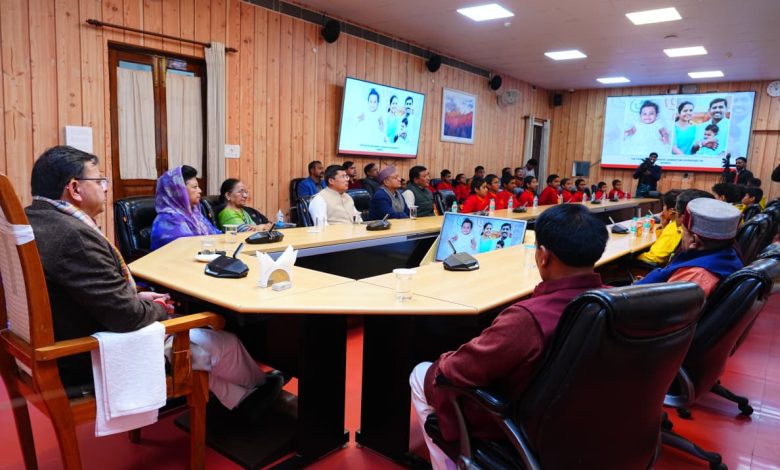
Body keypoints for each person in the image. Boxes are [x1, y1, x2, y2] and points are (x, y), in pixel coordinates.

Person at [26, 146, 282, 422]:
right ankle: (259, 386)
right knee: (220, 340)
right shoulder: (74, 236)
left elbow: (85, 288)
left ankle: (242, 401)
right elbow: (128, 316)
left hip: (63, 342)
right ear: (75, 189)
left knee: (197, 346)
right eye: (99, 180)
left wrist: (134, 296)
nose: (105, 188)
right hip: (88, 356)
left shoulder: (35, 219)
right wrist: (160, 308)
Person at [410, 204, 608, 469]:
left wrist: (446, 357)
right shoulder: (616, 301)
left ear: (543, 256)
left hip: (519, 423)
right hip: (586, 423)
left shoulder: (527, 319)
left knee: (421, 373)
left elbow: (458, 370)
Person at [636, 196, 743, 298]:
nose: (682, 235)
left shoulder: (695, 277)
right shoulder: (727, 252)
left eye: (683, 231)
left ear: (694, 240)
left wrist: (639, 291)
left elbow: (661, 308)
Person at [151, 165, 221, 250]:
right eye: (195, 187)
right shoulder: (168, 219)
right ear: (179, 191)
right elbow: (186, 249)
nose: (200, 191)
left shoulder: (195, 213)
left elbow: (217, 235)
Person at [636, 190, 682, 267]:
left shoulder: (674, 227)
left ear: (671, 211)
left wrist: (636, 256)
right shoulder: (678, 225)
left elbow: (655, 258)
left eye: (664, 205)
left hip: (656, 267)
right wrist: (664, 225)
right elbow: (663, 243)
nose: (663, 209)